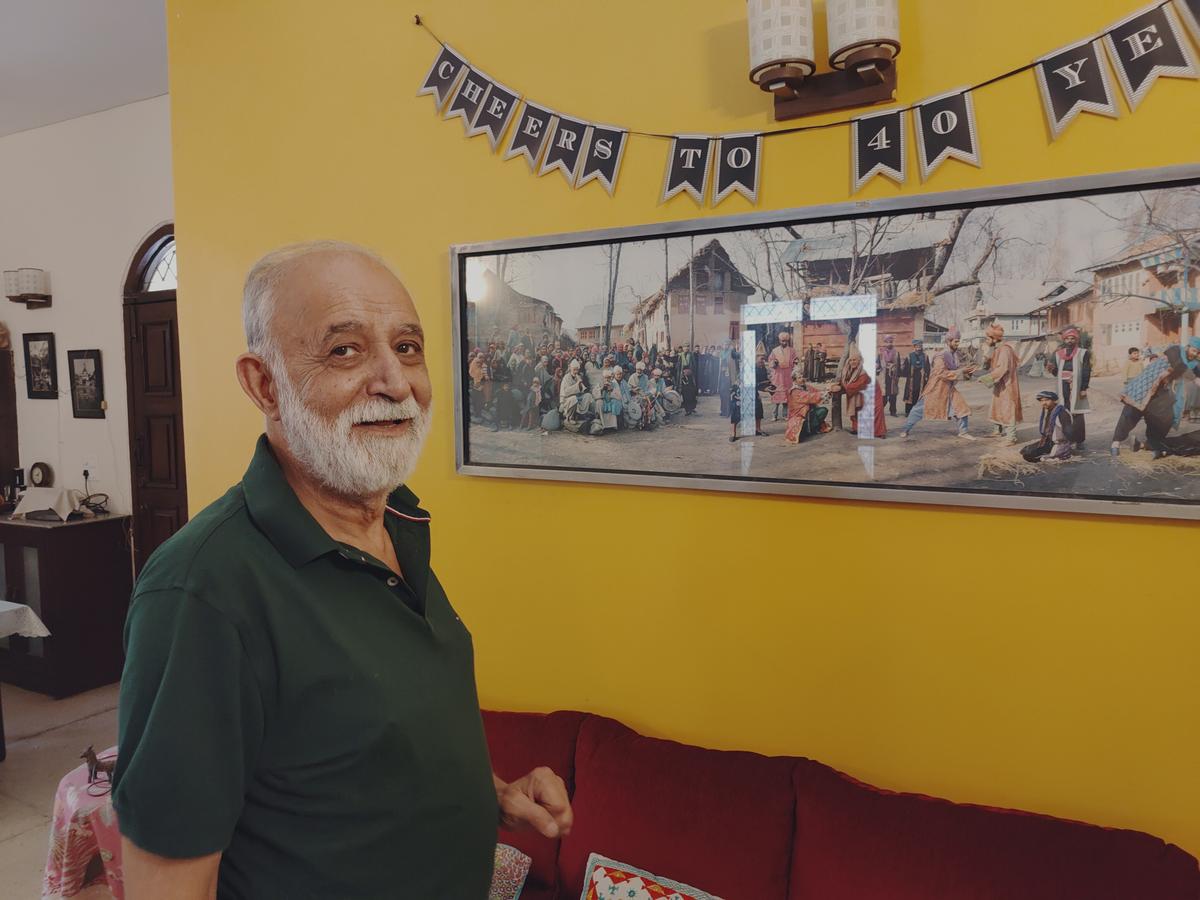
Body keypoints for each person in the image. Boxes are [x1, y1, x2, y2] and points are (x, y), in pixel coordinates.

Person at [112, 242, 571, 899]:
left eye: (407, 347)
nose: (394, 382)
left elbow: (352, 756)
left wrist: (491, 794)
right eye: (346, 351)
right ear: (263, 384)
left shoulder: (396, 526)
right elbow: (168, 885)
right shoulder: (202, 593)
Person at [1110, 337, 1200, 458]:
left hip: (1163, 391)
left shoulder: (1194, 364)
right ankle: (1116, 443)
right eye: (1194, 350)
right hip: (1147, 384)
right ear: (1188, 347)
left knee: (1165, 418)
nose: (1195, 354)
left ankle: (1151, 444)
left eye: (1198, 352)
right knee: (1131, 413)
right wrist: (1194, 378)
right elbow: (1178, 364)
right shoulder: (1175, 350)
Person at [899, 327, 977, 440]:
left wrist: (967, 371)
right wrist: (961, 371)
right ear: (948, 342)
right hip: (936, 389)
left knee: (962, 408)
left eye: (958, 341)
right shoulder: (941, 355)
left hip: (949, 389)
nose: (958, 343)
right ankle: (905, 429)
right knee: (918, 410)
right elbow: (941, 373)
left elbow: (956, 370)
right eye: (956, 341)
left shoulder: (954, 355)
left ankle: (963, 432)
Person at [1045, 326, 1090, 448]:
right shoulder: (1058, 354)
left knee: (1077, 413)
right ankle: (1067, 439)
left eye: (1072, 338)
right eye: (1067, 339)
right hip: (1062, 387)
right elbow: (1055, 373)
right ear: (1064, 340)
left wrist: (1083, 388)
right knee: (1064, 412)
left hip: (1077, 387)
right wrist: (1051, 369)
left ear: (1076, 340)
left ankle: (1079, 441)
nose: (1070, 341)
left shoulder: (1083, 353)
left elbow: (1086, 371)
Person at [979, 323, 1023, 445]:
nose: (986, 340)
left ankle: (1011, 437)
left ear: (995, 338)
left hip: (1008, 384)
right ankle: (997, 430)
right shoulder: (997, 349)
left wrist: (986, 378)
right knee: (997, 405)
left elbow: (1002, 368)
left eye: (988, 338)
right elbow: (986, 365)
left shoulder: (1005, 349)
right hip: (1000, 384)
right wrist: (986, 353)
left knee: (1008, 408)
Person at [836, 347, 886, 438]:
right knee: (858, 409)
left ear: (859, 361)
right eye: (850, 360)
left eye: (854, 360)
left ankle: (879, 432)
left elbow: (856, 385)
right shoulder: (849, 370)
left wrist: (841, 387)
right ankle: (857, 429)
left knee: (876, 411)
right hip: (862, 392)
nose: (852, 362)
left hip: (873, 392)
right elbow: (846, 381)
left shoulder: (864, 371)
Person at [1021, 390, 1074, 462]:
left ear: (1054, 400)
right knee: (1025, 451)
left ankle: (1060, 453)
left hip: (1060, 443)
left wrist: (1066, 446)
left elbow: (1069, 432)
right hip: (1049, 441)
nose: (1044, 403)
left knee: (1038, 459)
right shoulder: (1050, 410)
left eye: (1047, 400)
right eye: (1042, 401)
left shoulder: (1062, 413)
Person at [784, 369, 830, 444]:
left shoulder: (806, 387)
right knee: (800, 434)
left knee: (823, 410)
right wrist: (821, 394)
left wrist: (826, 390)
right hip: (799, 416)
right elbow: (808, 397)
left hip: (810, 413)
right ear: (794, 380)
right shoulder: (794, 391)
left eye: (802, 377)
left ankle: (812, 429)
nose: (802, 379)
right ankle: (807, 430)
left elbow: (816, 391)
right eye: (799, 377)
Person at [767, 331, 798, 421]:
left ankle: (785, 415)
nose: (784, 343)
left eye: (785, 341)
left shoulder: (792, 350)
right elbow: (770, 361)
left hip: (788, 376)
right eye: (782, 341)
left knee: (786, 396)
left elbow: (795, 360)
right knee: (776, 394)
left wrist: (795, 362)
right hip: (778, 375)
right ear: (779, 341)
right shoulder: (775, 351)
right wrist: (774, 363)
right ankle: (774, 415)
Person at [901, 338, 931, 415]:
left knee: (920, 394)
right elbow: (905, 369)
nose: (918, 347)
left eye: (920, 346)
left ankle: (919, 412)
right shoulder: (909, 356)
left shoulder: (925, 356)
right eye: (917, 346)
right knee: (910, 394)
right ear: (914, 346)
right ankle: (908, 412)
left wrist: (927, 377)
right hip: (911, 378)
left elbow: (928, 368)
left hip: (921, 378)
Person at [876, 335, 902, 417]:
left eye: (890, 342)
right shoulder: (881, 353)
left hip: (893, 377)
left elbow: (899, 365)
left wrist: (898, 375)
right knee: (883, 395)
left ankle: (893, 412)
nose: (889, 343)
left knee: (893, 395)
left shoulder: (896, 353)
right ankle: (879, 411)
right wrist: (877, 370)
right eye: (887, 342)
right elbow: (877, 364)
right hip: (884, 376)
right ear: (885, 342)